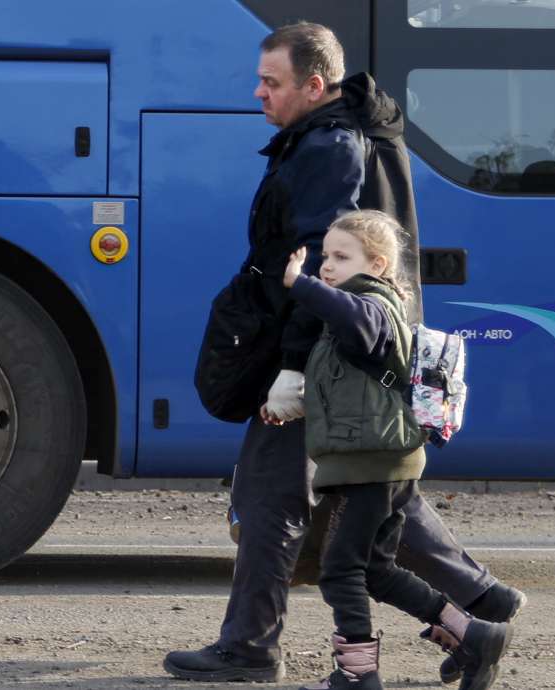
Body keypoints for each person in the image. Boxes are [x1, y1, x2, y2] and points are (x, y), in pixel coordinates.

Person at [163, 22, 524, 685]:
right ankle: (482, 606)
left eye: (271, 82)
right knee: (376, 493)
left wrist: (293, 370)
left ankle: (250, 648)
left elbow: (319, 267)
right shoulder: (344, 136)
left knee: (274, 495)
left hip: (332, 355)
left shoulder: (330, 149)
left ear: (314, 84)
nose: (258, 94)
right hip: (354, 352)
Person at [279, 210, 512, 690]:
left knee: (339, 569)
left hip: (371, 465)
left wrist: (301, 286)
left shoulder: (372, 305)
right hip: (373, 460)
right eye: (326, 256)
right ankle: (473, 635)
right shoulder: (354, 308)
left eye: (342, 257)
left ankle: (358, 674)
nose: (327, 265)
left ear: (379, 265)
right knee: (377, 571)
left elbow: (356, 321)